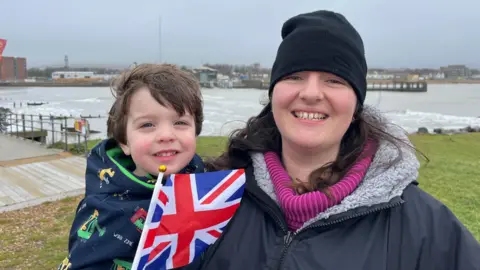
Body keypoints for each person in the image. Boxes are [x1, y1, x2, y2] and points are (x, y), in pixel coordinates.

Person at [200, 10, 480, 270]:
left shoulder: (428, 231)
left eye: (334, 80)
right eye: (295, 76)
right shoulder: (210, 197)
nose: (311, 93)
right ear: (274, 93)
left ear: (356, 103)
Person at [59, 64, 206, 270]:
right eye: (147, 125)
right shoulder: (105, 210)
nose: (166, 135)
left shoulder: (208, 183)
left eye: (180, 122)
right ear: (124, 142)